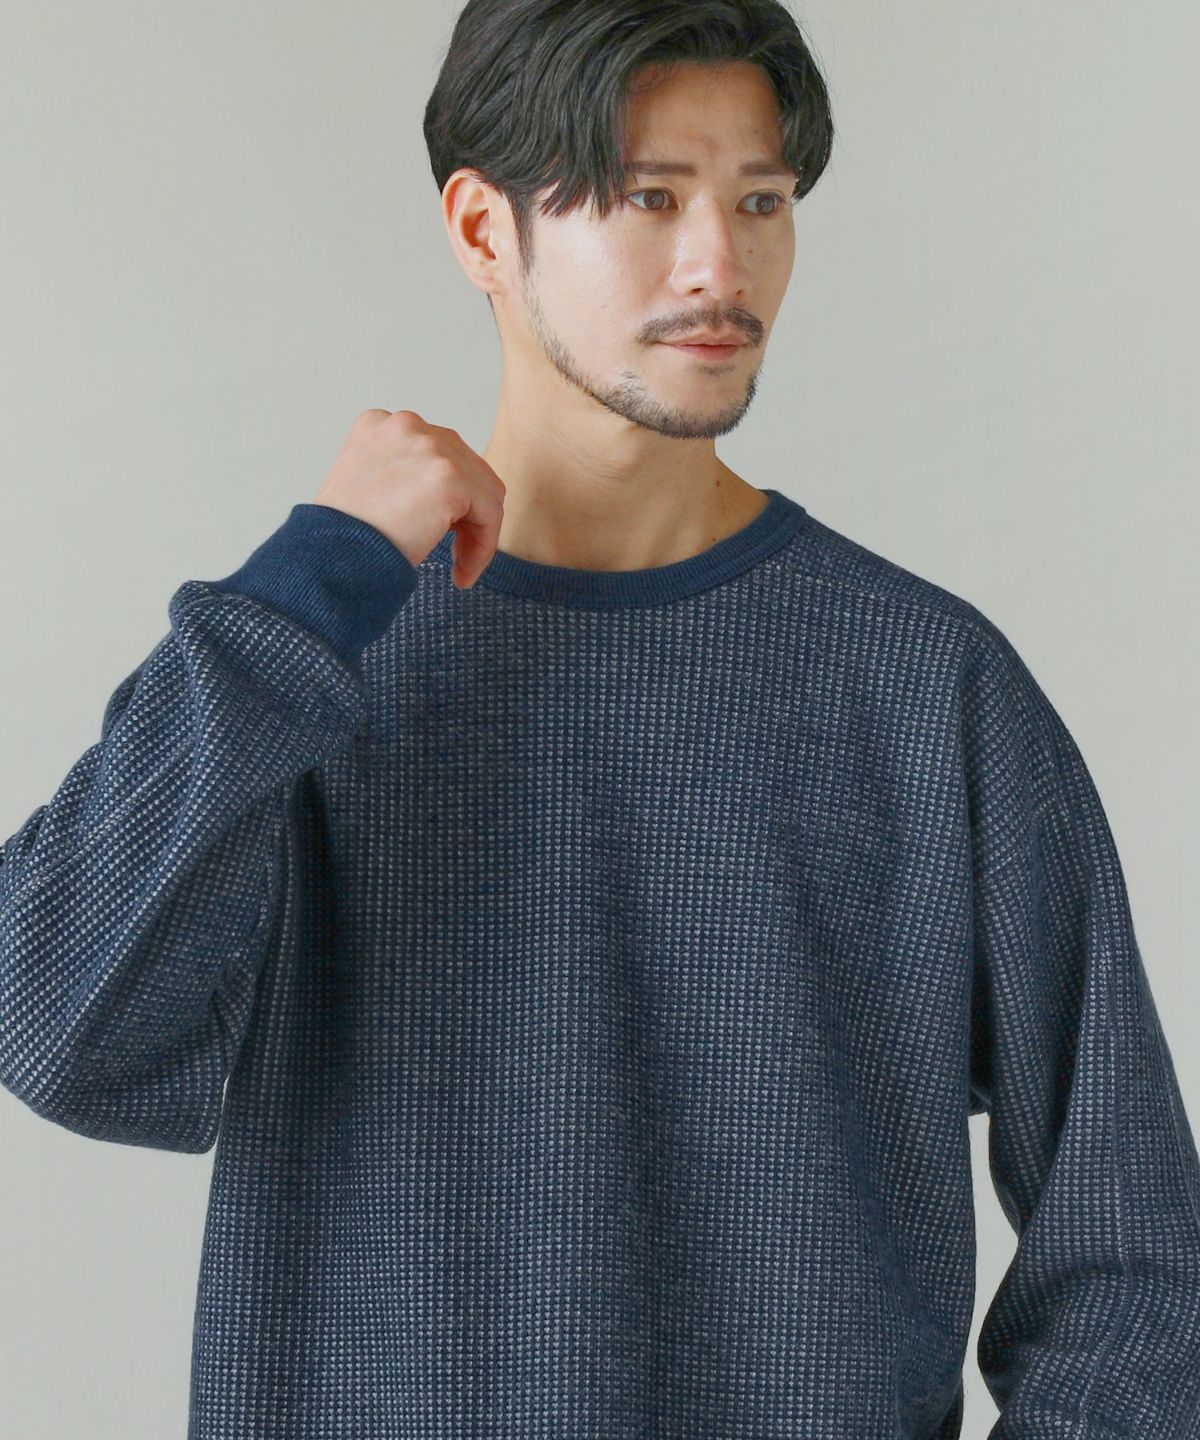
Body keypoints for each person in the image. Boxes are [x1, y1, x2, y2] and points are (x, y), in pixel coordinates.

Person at [3, 1, 1198, 1436]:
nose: (720, 265)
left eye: (760, 201)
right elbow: (53, 1021)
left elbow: (1137, 1262)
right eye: (649, 197)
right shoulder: (315, 664)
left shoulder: (926, 685)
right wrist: (309, 585)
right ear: (482, 230)